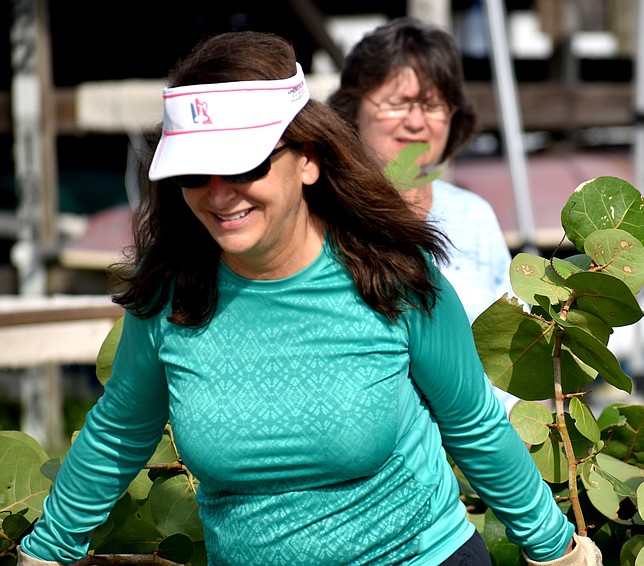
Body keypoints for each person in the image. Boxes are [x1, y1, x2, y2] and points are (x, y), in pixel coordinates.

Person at [16, 31, 601, 566]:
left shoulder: (391, 276)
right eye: (194, 172)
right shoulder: (172, 291)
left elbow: (472, 424)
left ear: (309, 160)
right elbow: (120, 430)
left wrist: (556, 551)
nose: (219, 194)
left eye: (244, 164)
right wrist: (45, 553)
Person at [327, 17, 512, 326]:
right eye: (397, 103)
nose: (415, 122)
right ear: (353, 110)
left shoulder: (474, 215)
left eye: (432, 105)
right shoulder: (326, 209)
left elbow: (512, 338)